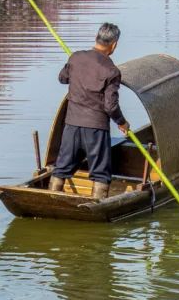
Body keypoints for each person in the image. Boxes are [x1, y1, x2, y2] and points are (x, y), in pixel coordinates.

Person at [50, 22, 130, 200]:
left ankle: (52, 199)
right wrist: (122, 122)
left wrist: (73, 67)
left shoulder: (76, 58)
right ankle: (96, 205)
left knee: (61, 168)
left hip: (71, 125)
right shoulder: (111, 70)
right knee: (101, 174)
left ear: (96, 38)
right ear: (114, 45)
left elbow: (62, 78)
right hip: (96, 129)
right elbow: (111, 106)